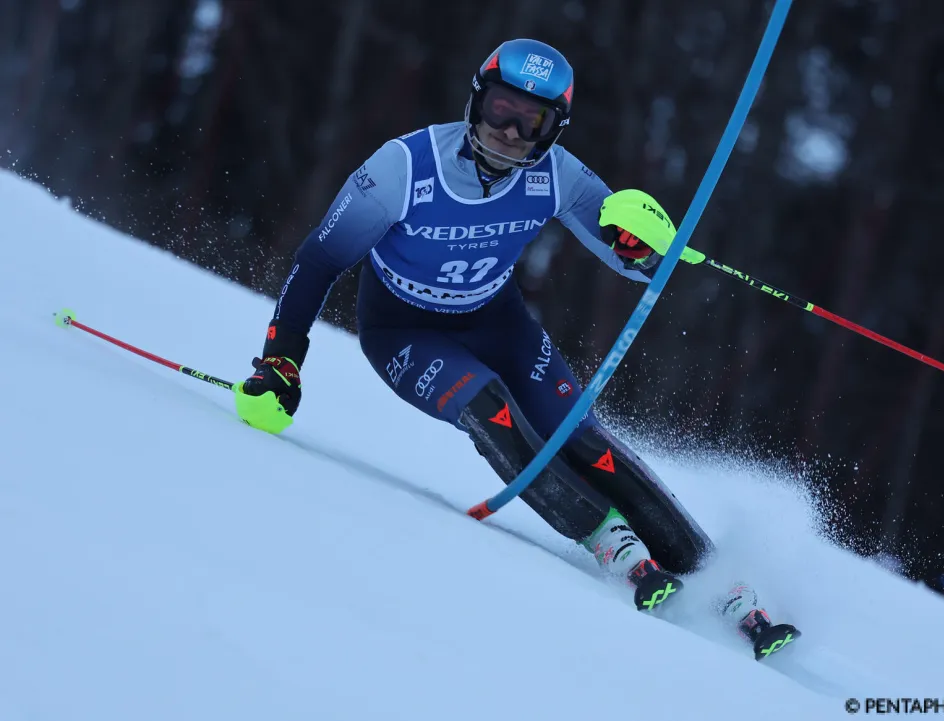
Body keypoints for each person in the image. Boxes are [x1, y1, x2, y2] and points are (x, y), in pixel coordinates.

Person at [236, 38, 796, 657]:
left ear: (553, 129)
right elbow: (318, 261)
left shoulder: (557, 175)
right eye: (499, 108)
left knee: (581, 434)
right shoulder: (403, 169)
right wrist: (281, 362)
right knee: (491, 409)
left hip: (497, 321)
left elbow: (633, 260)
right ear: (476, 100)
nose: (508, 131)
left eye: (531, 120)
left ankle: (721, 584)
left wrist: (647, 247)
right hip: (404, 331)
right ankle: (613, 545)